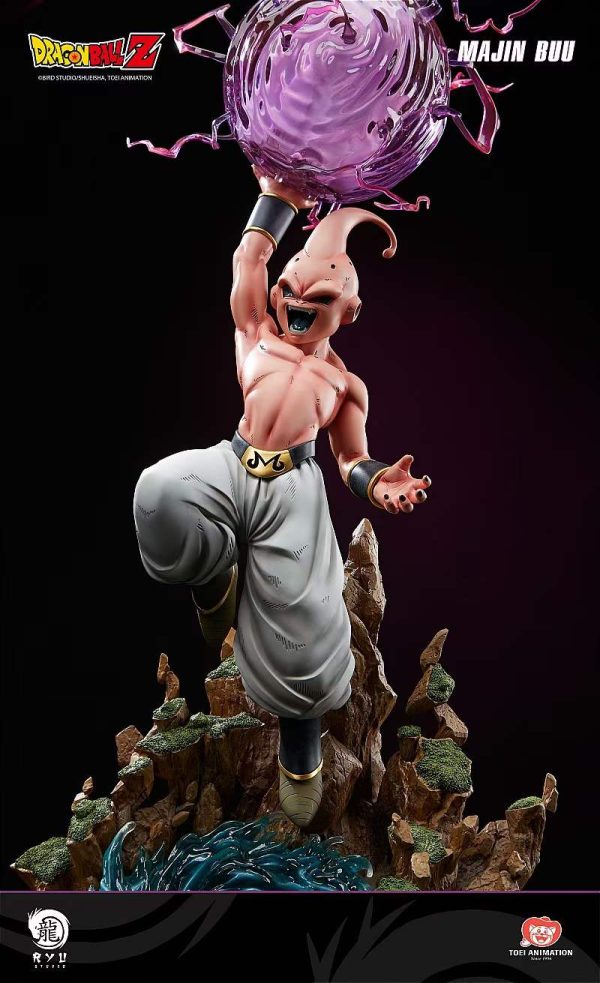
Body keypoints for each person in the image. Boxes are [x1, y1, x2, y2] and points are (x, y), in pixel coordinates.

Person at [134, 168, 431, 827]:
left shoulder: (345, 386)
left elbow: (350, 458)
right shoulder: (255, 331)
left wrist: (380, 482)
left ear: (348, 312)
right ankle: (214, 579)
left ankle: (301, 743)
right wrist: (279, 198)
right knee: (158, 492)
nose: (295, 302)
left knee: (307, 623)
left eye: (317, 298)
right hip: (231, 459)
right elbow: (249, 258)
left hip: (293, 488)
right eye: (289, 289)